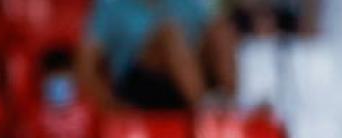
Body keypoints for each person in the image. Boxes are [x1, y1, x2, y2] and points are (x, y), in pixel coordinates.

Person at [80, 0, 237, 111]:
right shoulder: (111, 6)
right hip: (139, 85)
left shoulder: (186, 3)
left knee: (220, 28)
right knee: (169, 35)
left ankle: (232, 105)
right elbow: (85, 69)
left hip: (189, 78)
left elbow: (211, 35)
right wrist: (113, 106)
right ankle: (206, 111)